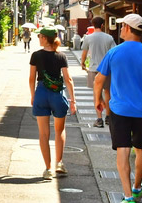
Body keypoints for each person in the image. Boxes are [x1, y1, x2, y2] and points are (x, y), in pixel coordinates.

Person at [94, 13, 142, 203]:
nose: (120, 29)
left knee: (123, 150)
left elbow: (98, 80)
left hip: (119, 109)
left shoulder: (114, 53)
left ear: (127, 28)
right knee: (141, 148)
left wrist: (98, 101)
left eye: (122, 26)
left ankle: (128, 198)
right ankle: (137, 188)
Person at [29, 27, 76, 179]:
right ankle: (59, 163)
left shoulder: (36, 55)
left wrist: (33, 95)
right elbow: (68, 79)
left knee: (43, 133)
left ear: (44, 38)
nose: (39, 39)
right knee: (60, 130)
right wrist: (73, 100)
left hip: (41, 93)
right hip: (57, 93)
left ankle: (48, 169)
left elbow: (31, 78)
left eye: (40, 36)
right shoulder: (61, 56)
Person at [80, 17, 116, 128]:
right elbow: (113, 53)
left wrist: (82, 63)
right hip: (107, 70)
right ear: (102, 25)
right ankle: (108, 117)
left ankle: (99, 119)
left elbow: (84, 52)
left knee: (97, 95)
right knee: (107, 93)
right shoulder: (109, 38)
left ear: (93, 25)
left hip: (93, 69)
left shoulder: (88, 38)